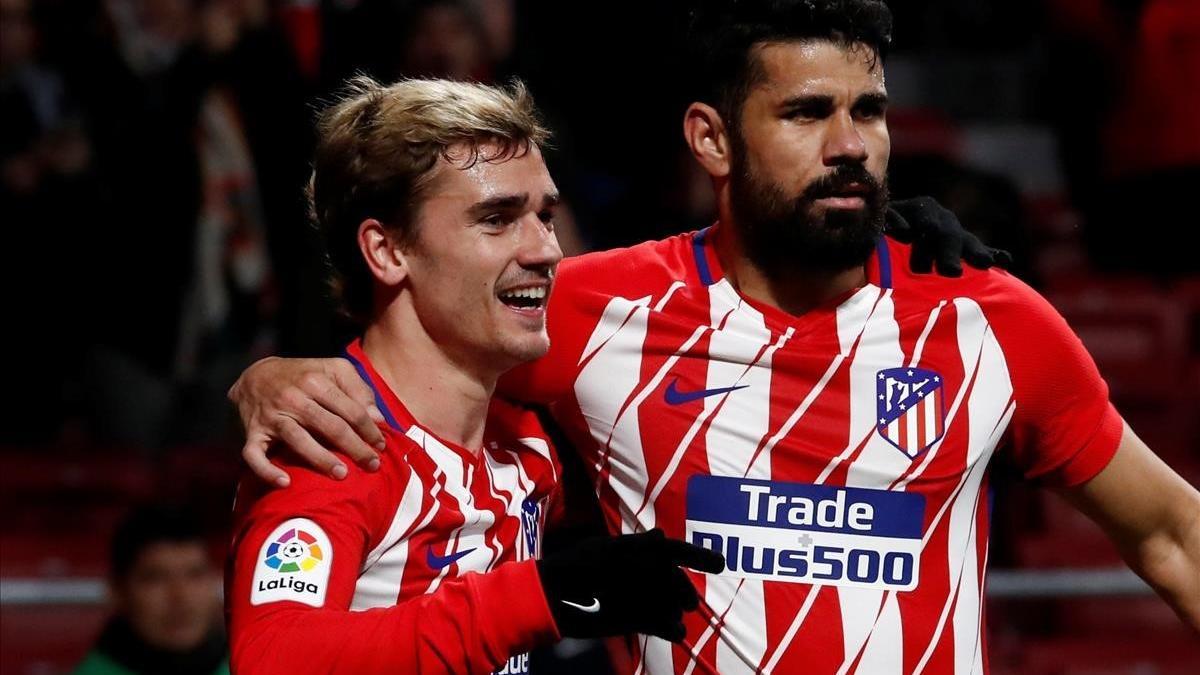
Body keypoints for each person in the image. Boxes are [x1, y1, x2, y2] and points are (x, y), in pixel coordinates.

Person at [230, 1, 1200, 672]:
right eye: (807, 113)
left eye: (868, 112)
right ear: (712, 140)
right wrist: (269, 377)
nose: (850, 142)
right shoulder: (588, 314)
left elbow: (1172, 532)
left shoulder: (989, 321)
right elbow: (422, 347)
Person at [224, 76, 724, 675]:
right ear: (386, 251)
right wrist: (543, 597)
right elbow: (274, 658)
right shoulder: (335, 444)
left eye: (545, 215)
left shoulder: (526, 446)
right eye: (496, 219)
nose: (546, 250)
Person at [74, 506, 228, 675]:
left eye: (195, 575)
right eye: (156, 578)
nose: (181, 596)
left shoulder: (249, 666)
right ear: (117, 591)